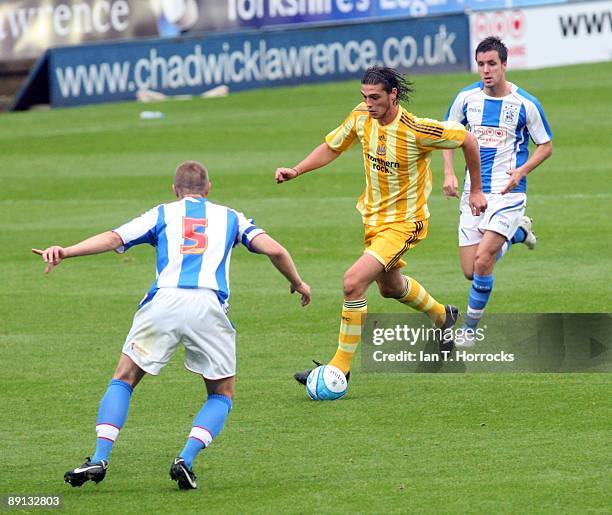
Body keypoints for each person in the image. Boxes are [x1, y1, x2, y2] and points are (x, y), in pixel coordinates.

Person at [33, 160, 311, 490]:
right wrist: (297, 282)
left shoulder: (161, 213)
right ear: (208, 189)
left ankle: (98, 457)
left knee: (124, 377)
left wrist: (65, 251)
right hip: (209, 306)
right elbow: (275, 250)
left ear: (175, 190)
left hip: (162, 303)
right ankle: (186, 458)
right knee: (221, 393)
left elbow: (112, 238)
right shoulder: (231, 217)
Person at [275, 66, 487, 386]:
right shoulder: (362, 116)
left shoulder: (417, 129)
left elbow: (467, 140)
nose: (369, 103)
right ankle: (443, 316)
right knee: (389, 288)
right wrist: (297, 169)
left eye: (375, 98)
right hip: (373, 219)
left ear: (393, 95)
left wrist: (475, 190)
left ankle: (338, 369)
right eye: (364, 97)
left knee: (352, 282)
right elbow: (333, 145)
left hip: (405, 222)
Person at [443, 37, 553, 346]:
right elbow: (446, 136)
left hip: (508, 193)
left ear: (504, 65)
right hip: (472, 193)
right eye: (481, 64)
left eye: (492, 64)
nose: (486, 70)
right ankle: (518, 233)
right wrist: (449, 172)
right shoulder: (465, 99)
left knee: (483, 261)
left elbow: (545, 145)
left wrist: (522, 170)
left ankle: (469, 330)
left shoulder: (526, 104)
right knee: (471, 270)